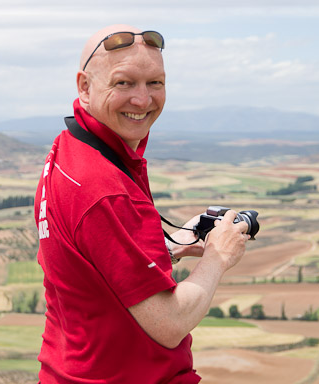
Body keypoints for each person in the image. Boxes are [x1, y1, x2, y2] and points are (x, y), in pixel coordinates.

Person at [34, 24, 249, 383]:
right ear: (85, 87)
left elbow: (98, 262)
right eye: (124, 83)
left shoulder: (71, 151)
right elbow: (168, 324)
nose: (143, 100)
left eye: (155, 83)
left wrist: (173, 246)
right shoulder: (102, 185)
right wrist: (218, 257)